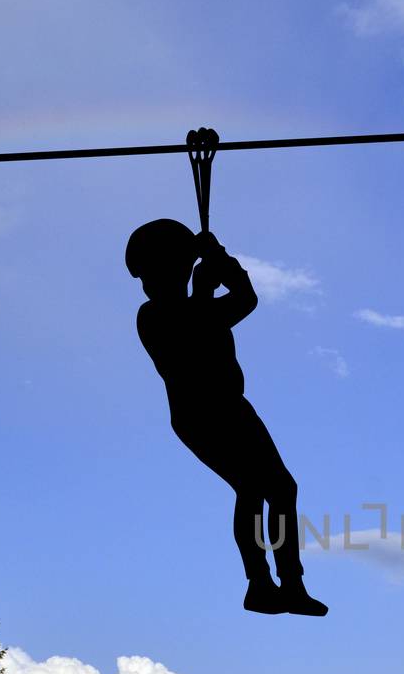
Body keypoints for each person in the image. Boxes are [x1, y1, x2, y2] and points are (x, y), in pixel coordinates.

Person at [127, 218, 327, 616]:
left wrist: (218, 255)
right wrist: (204, 284)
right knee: (256, 488)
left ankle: (286, 584)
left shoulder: (200, 308)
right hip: (201, 415)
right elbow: (189, 338)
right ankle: (263, 583)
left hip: (233, 408)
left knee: (279, 489)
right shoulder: (152, 317)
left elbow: (246, 298)